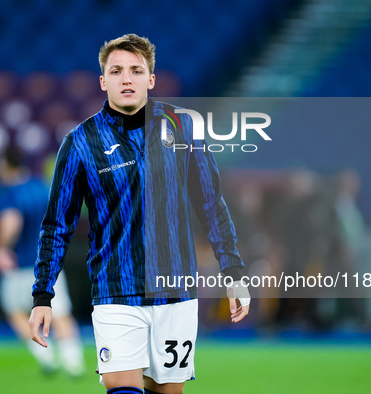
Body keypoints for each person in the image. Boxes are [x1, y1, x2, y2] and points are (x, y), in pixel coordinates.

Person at [29, 34, 249, 394]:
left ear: (151, 79)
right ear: (103, 81)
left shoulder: (184, 127)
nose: (126, 78)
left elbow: (211, 203)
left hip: (176, 293)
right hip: (116, 291)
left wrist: (233, 270)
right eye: (116, 71)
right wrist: (42, 294)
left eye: (136, 70)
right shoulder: (81, 142)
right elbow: (56, 226)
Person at [0, 146, 84, 376]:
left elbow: (10, 221)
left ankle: (46, 356)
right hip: (48, 262)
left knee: (16, 312)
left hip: (20, 264)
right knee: (60, 312)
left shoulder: (7, 192)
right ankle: (74, 363)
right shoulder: (41, 188)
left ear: (4, 164)